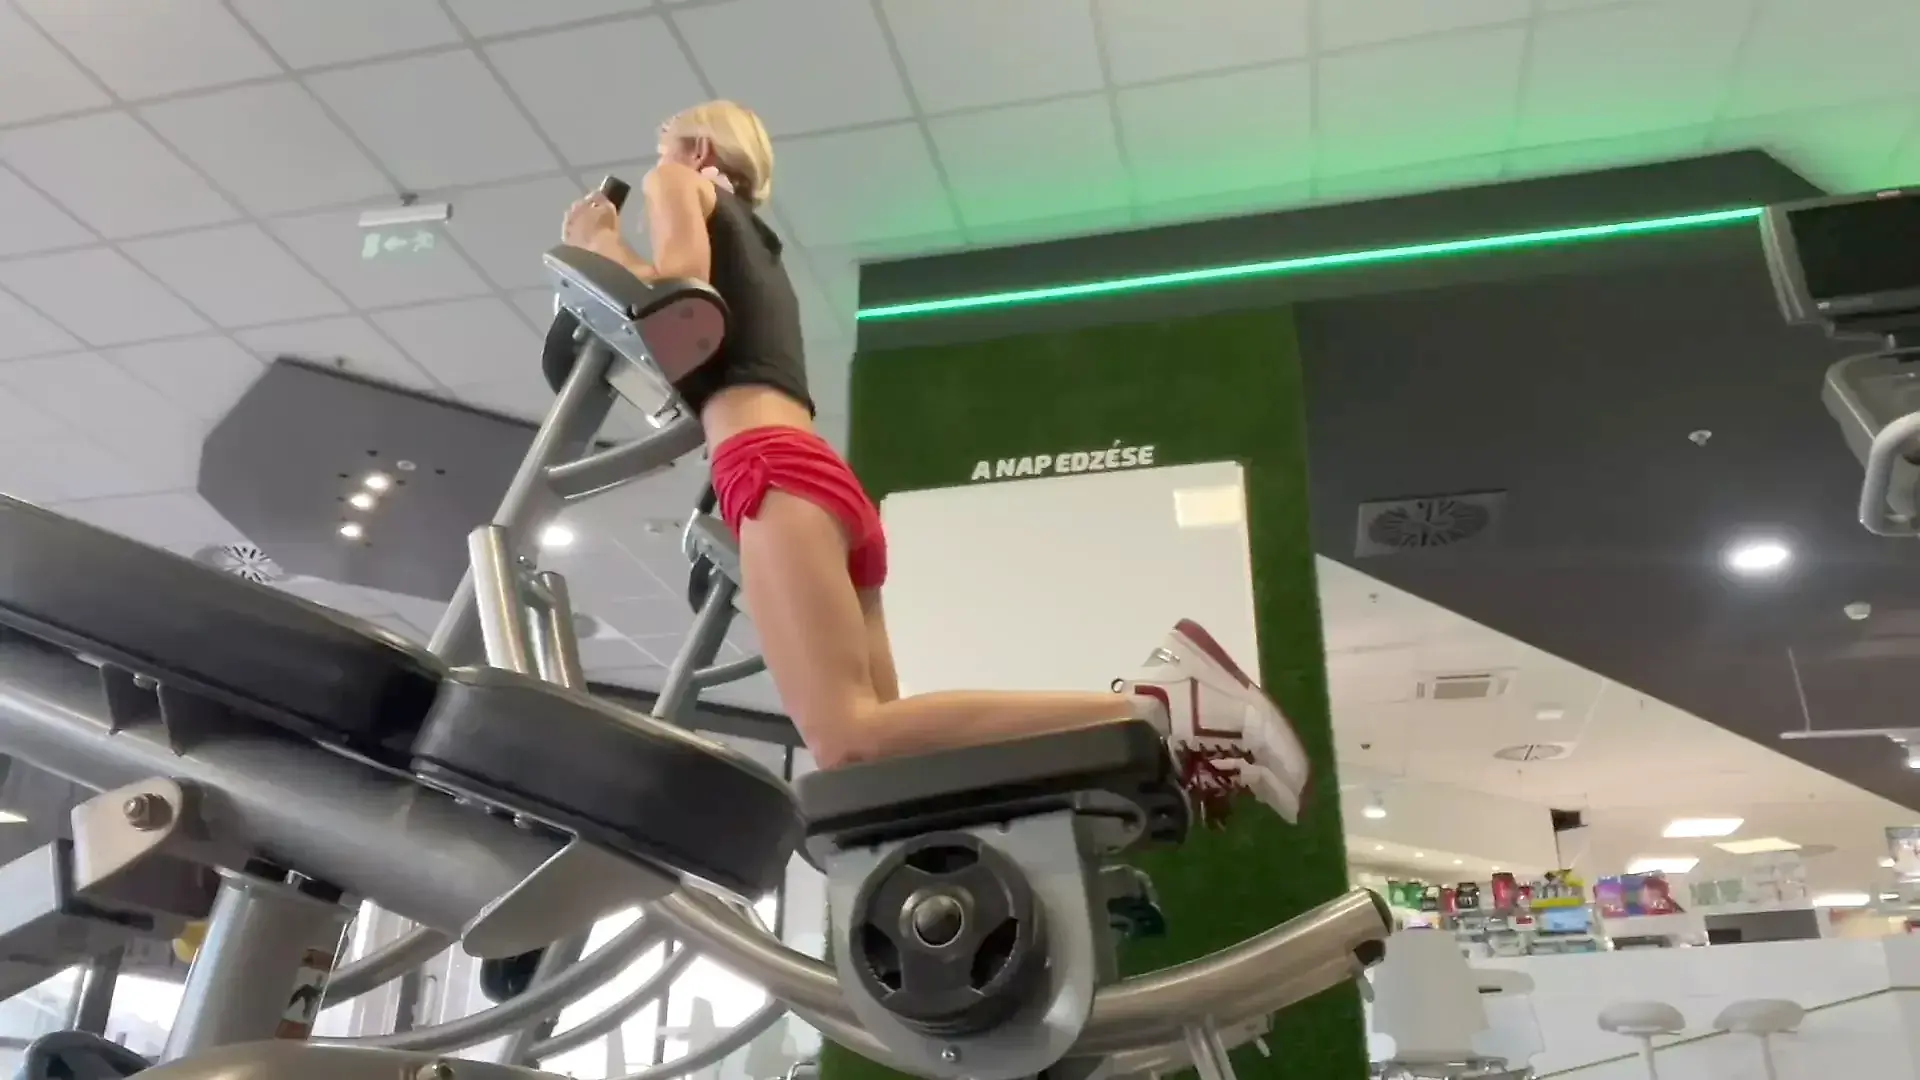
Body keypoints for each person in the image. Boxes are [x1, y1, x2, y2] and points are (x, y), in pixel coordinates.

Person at [561, 101, 1311, 823]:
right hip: (818, 478)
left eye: (665, 141)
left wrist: (599, 242)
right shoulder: (759, 247)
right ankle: (1161, 732)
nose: (658, 158)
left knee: (846, 741)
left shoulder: (676, 180)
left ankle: (1160, 707)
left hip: (770, 470)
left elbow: (676, 295)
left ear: (698, 149)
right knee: (887, 756)